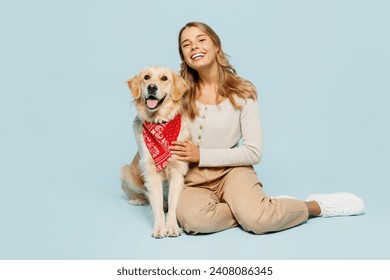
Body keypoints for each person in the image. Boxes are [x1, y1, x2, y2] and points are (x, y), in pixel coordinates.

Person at [169, 22, 365, 235]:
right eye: (186, 45)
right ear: (184, 57)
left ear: (216, 46)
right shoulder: (177, 92)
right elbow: (144, 122)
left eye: (201, 40)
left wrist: (200, 154)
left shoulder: (242, 92)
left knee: (259, 222)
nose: (194, 47)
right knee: (195, 221)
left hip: (232, 171)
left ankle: (312, 207)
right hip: (192, 178)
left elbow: (253, 152)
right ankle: (263, 208)